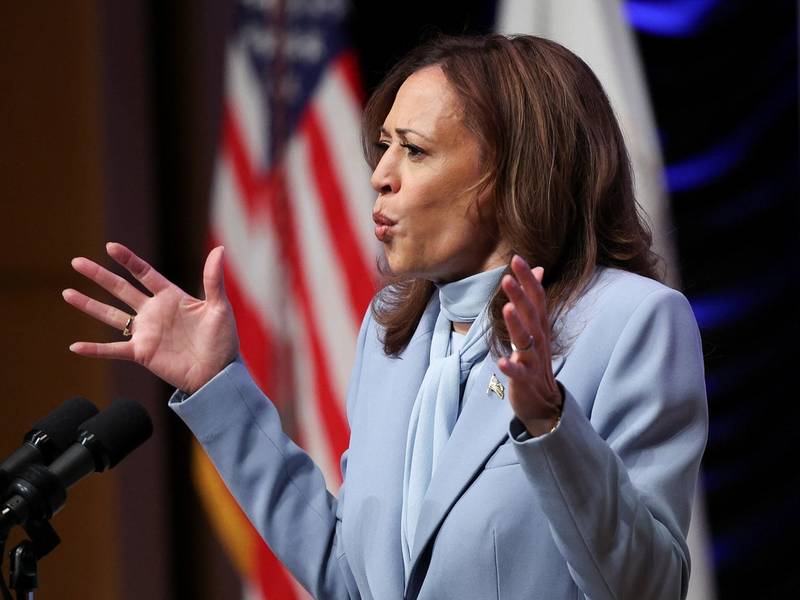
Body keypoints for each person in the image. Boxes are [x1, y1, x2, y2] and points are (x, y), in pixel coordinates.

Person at [63, 34, 707, 599]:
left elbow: (647, 588)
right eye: (383, 147)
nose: (380, 175)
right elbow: (351, 580)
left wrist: (549, 424)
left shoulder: (632, 322)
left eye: (415, 150)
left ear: (514, 172)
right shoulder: (392, 332)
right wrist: (216, 386)